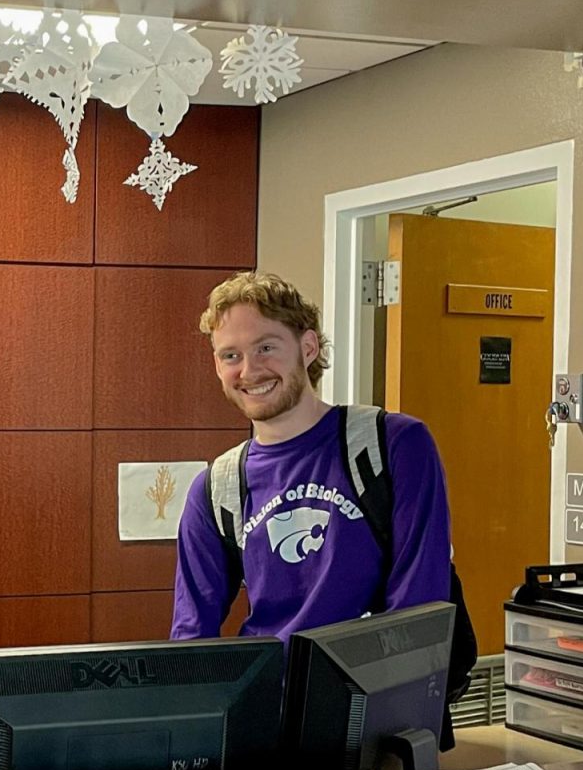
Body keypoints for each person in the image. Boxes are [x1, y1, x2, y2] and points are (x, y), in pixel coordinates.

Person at [170, 270, 452, 644]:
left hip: (375, 690)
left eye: (266, 348)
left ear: (308, 348)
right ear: (218, 366)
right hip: (273, 697)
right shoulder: (216, 489)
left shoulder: (393, 444)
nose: (249, 370)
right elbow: (191, 635)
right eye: (231, 355)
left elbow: (419, 604)